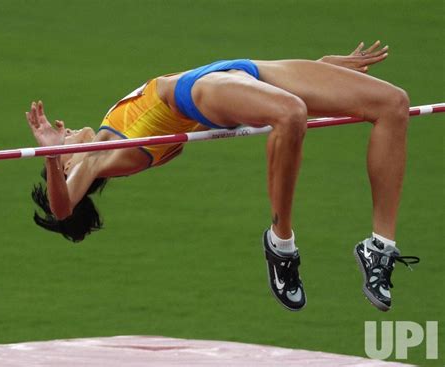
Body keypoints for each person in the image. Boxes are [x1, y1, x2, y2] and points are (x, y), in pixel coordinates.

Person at [26, 41, 419, 312]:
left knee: (392, 103)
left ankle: (379, 246)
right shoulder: (100, 158)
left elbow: (234, 105)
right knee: (290, 114)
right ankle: (281, 245)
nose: (65, 129)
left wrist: (316, 71)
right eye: (62, 141)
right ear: (67, 166)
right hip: (201, 89)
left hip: (237, 72)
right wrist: (50, 152)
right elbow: (62, 210)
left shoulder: (112, 136)